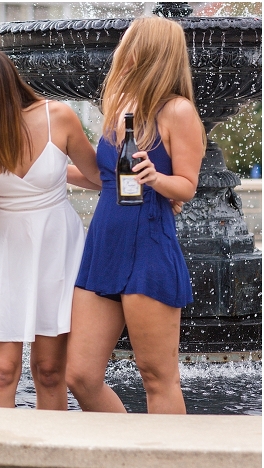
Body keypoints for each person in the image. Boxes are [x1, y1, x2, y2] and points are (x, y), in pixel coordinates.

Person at [65, 16, 206, 414]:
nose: (119, 51)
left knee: (157, 376)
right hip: (104, 244)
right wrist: (42, 170)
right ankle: (128, 454)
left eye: (126, 43)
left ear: (147, 51)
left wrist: (156, 178)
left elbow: (187, 186)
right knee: (80, 375)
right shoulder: (120, 104)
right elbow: (103, 177)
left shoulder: (178, 111)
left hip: (149, 246)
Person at [0, 49, 102, 409]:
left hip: (56, 246)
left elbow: (101, 179)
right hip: (3, 247)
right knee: (3, 370)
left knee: (50, 369)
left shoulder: (59, 117)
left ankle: (51, 459)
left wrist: (55, 174)